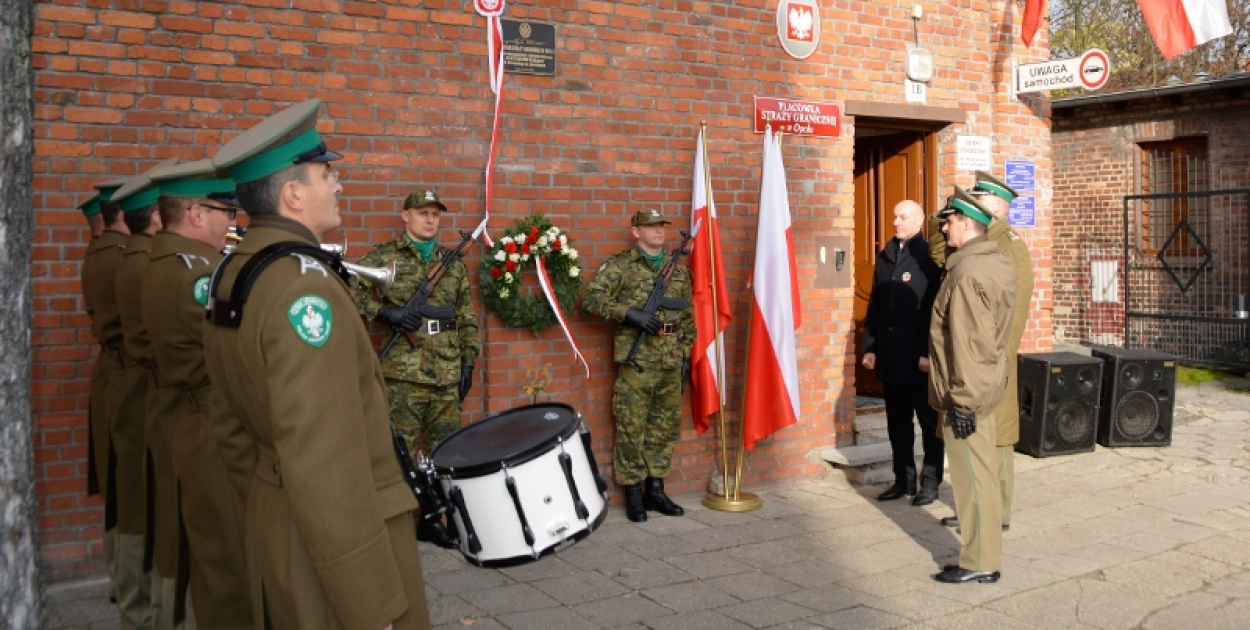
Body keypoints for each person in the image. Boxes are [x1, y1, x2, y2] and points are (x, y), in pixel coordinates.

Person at [204, 98, 430, 629]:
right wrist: (369, 602)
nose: (338, 185)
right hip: (330, 556)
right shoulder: (305, 291)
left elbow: (230, 425)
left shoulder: (236, 272)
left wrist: (267, 505)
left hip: (279, 523)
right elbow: (324, 458)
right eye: (327, 173)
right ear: (293, 193)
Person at [141, 159, 253, 629]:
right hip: (215, 427)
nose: (232, 220)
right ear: (194, 213)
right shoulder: (199, 275)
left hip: (189, 416)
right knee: (230, 568)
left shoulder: (161, 260)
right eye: (223, 211)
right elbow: (237, 350)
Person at [354, 188, 479, 549]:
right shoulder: (385, 257)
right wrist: (384, 312)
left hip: (446, 372)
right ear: (405, 216)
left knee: (446, 450)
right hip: (404, 374)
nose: (429, 220)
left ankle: (437, 517)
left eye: (435, 214)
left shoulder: (452, 263)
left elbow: (466, 316)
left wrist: (469, 358)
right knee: (401, 453)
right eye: (422, 213)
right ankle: (399, 523)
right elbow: (347, 289)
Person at [113, 159, 196, 630]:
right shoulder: (161, 265)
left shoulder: (136, 259)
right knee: (170, 517)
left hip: (147, 388)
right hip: (167, 398)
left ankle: (146, 608)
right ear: (161, 218)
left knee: (154, 507)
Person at [583, 208, 695, 522]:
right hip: (638, 362)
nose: (659, 231)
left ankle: (655, 489)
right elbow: (592, 298)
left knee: (664, 427)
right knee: (631, 427)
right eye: (651, 226)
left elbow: (687, 316)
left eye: (662, 226)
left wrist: (686, 355)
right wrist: (631, 314)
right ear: (636, 231)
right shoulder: (622, 266)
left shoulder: (681, 272)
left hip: (671, 361)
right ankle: (633, 493)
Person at [937, 172, 1034, 532]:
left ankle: (999, 513)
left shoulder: (1007, 244)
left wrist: (997, 358)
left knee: (999, 435)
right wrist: (944, 215)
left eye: (976, 196)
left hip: (993, 356)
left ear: (992, 205)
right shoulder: (980, 240)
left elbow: (1014, 307)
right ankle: (977, 510)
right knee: (982, 437)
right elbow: (938, 251)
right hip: (981, 356)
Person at [928, 188, 1016, 584]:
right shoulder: (991, 260)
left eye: (949, 221)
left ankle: (980, 561)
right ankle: (981, 555)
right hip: (986, 385)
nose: (944, 227)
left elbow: (968, 344)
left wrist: (962, 401)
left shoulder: (967, 272)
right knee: (982, 474)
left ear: (967, 224)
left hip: (968, 392)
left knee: (973, 482)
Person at [861, 200, 943, 506]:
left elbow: (934, 311)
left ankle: (931, 483)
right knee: (897, 424)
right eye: (894, 216)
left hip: (918, 359)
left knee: (929, 424)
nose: (897, 222)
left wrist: (927, 352)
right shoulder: (885, 257)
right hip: (891, 358)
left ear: (920, 220)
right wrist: (870, 347)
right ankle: (903, 480)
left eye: (903, 217)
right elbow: (876, 307)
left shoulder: (928, 259)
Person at [78, 178, 130, 615]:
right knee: (133, 489)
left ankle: (121, 577)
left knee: (122, 485)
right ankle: (129, 582)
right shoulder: (120, 259)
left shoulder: (101, 254)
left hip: (114, 374)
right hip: (129, 378)